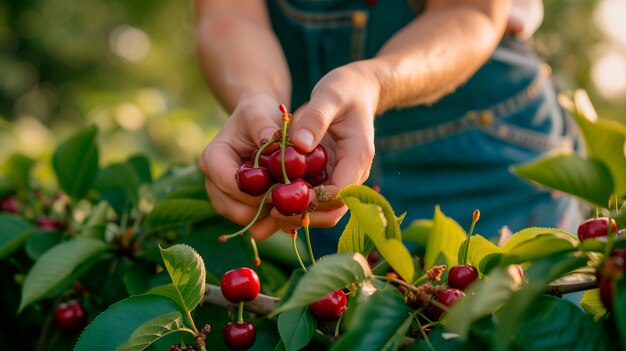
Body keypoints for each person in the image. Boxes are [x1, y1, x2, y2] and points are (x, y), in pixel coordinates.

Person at [195, 0, 582, 255]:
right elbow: (229, 15)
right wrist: (256, 100)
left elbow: (474, 10)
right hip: (327, 174)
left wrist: (375, 82)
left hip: (486, 159)